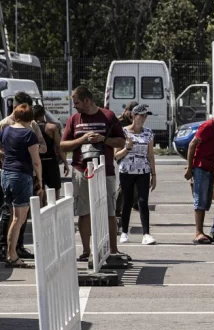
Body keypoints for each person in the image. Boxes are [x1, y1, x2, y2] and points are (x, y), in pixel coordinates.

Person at [60, 86, 126, 262]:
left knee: (110, 211)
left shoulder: (108, 116)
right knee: (84, 212)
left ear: (87, 100)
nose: (75, 106)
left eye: (77, 103)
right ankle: (86, 250)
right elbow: (63, 145)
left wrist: (102, 139)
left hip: (106, 170)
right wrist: (82, 139)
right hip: (81, 170)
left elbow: (121, 141)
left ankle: (113, 250)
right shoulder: (74, 119)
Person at [0, 92, 48, 261]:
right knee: (18, 218)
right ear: (29, 118)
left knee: (13, 215)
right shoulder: (28, 134)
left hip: (6, 174)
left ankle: (10, 250)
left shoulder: (5, 131)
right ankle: (11, 254)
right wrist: (40, 181)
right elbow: (36, 161)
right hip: (21, 175)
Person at [184, 105, 214, 244]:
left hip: (209, 167)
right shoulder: (207, 126)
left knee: (205, 200)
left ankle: (201, 231)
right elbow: (193, 144)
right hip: (201, 167)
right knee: (200, 199)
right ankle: (198, 233)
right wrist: (189, 167)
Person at [115, 104, 157, 245]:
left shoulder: (148, 133)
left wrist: (154, 174)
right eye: (141, 115)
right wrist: (127, 147)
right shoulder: (123, 132)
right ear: (133, 116)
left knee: (143, 201)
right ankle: (124, 232)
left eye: (145, 116)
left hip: (143, 171)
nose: (143, 118)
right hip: (127, 170)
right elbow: (116, 155)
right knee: (127, 201)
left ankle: (146, 234)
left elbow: (150, 155)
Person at [33, 105, 69, 201]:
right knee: (55, 191)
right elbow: (59, 147)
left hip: (36, 162)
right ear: (43, 114)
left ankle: (40, 213)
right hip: (51, 162)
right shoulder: (51, 127)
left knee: (40, 191)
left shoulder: (30, 128)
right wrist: (65, 163)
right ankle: (55, 211)